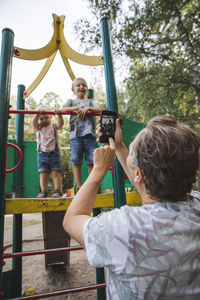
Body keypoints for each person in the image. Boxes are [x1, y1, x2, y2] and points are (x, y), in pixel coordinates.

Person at [63, 115, 200, 299]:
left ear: (138, 174)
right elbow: (150, 187)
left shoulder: (124, 227)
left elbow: (72, 220)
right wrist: (119, 147)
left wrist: (98, 170)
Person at [61, 77, 101, 195]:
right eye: (78, 85)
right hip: (75, 136)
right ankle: (79, 186)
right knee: (76, 161)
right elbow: (62, 109)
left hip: (90, 136)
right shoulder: (71, 102)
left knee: (91, 161)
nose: (81, 87)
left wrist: (88, 109)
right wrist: (75, 108)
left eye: (84, 85)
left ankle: (92, 186)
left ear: (87, 89)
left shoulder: (90, 102)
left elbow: (99, 109)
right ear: (73, 89)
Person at [33, 105, 64, 198]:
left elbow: (60, 124)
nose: (44, 120)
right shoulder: (38, 127)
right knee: (43, 173)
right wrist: (37, 114)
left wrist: (59, 115)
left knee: (55, 172)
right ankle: (43, 191)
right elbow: (34, 121)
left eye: (46, 117)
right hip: (42, 154)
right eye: (41, 118)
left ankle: (58, 190)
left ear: (51, 117)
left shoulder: (53, 126)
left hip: (54, 153)